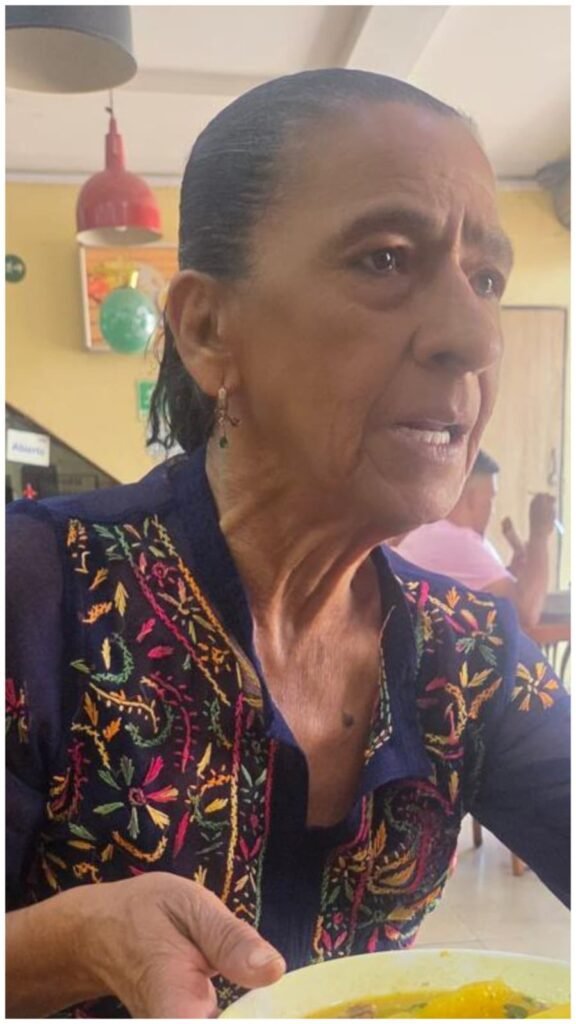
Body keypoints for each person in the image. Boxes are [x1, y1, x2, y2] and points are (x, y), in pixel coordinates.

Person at [6, 69, 569, 1020]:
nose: (474, 336)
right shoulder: (36, 595)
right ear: (208, 329)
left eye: (486, 281)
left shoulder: (466, 655)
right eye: (385, 259)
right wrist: (69, 943)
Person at [396, 451, 557, 629]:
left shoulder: (433, 531)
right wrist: (540, 534)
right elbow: (527, 613)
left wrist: (508, 573)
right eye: (490, 500)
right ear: (472, 499)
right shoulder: (459, 542)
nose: (492, 511)